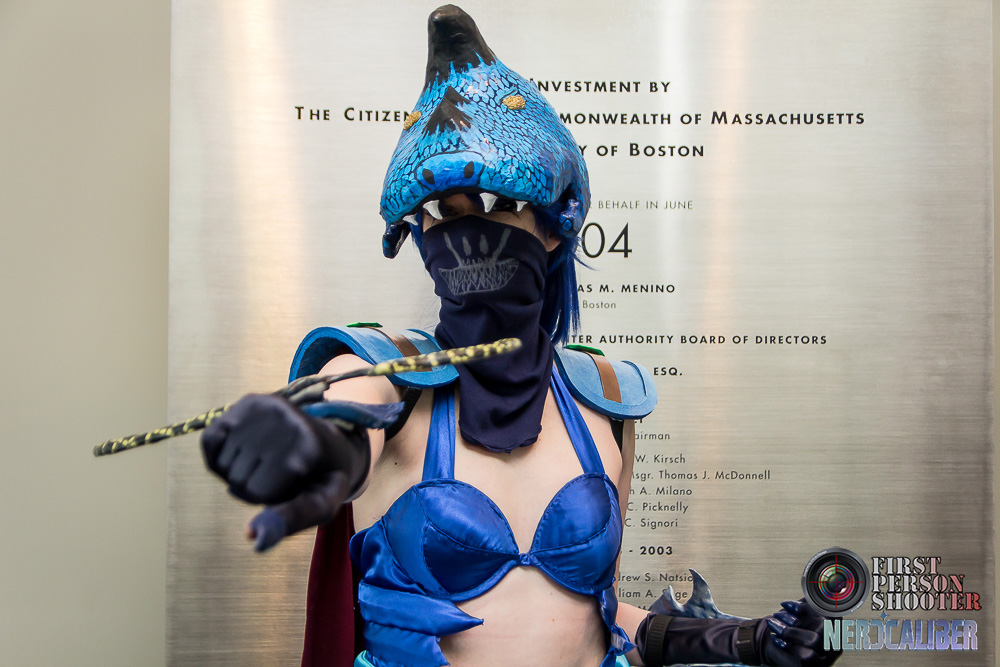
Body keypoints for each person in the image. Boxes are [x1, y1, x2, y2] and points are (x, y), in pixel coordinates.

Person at [200, 6, 840, 667]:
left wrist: (747, 640)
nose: (469, 231)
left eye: (501, 204)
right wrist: (308, 442)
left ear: (555, 225)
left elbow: (593, 618)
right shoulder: (387, 376)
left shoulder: (604, 397)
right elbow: (345, 418)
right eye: (444, 211)